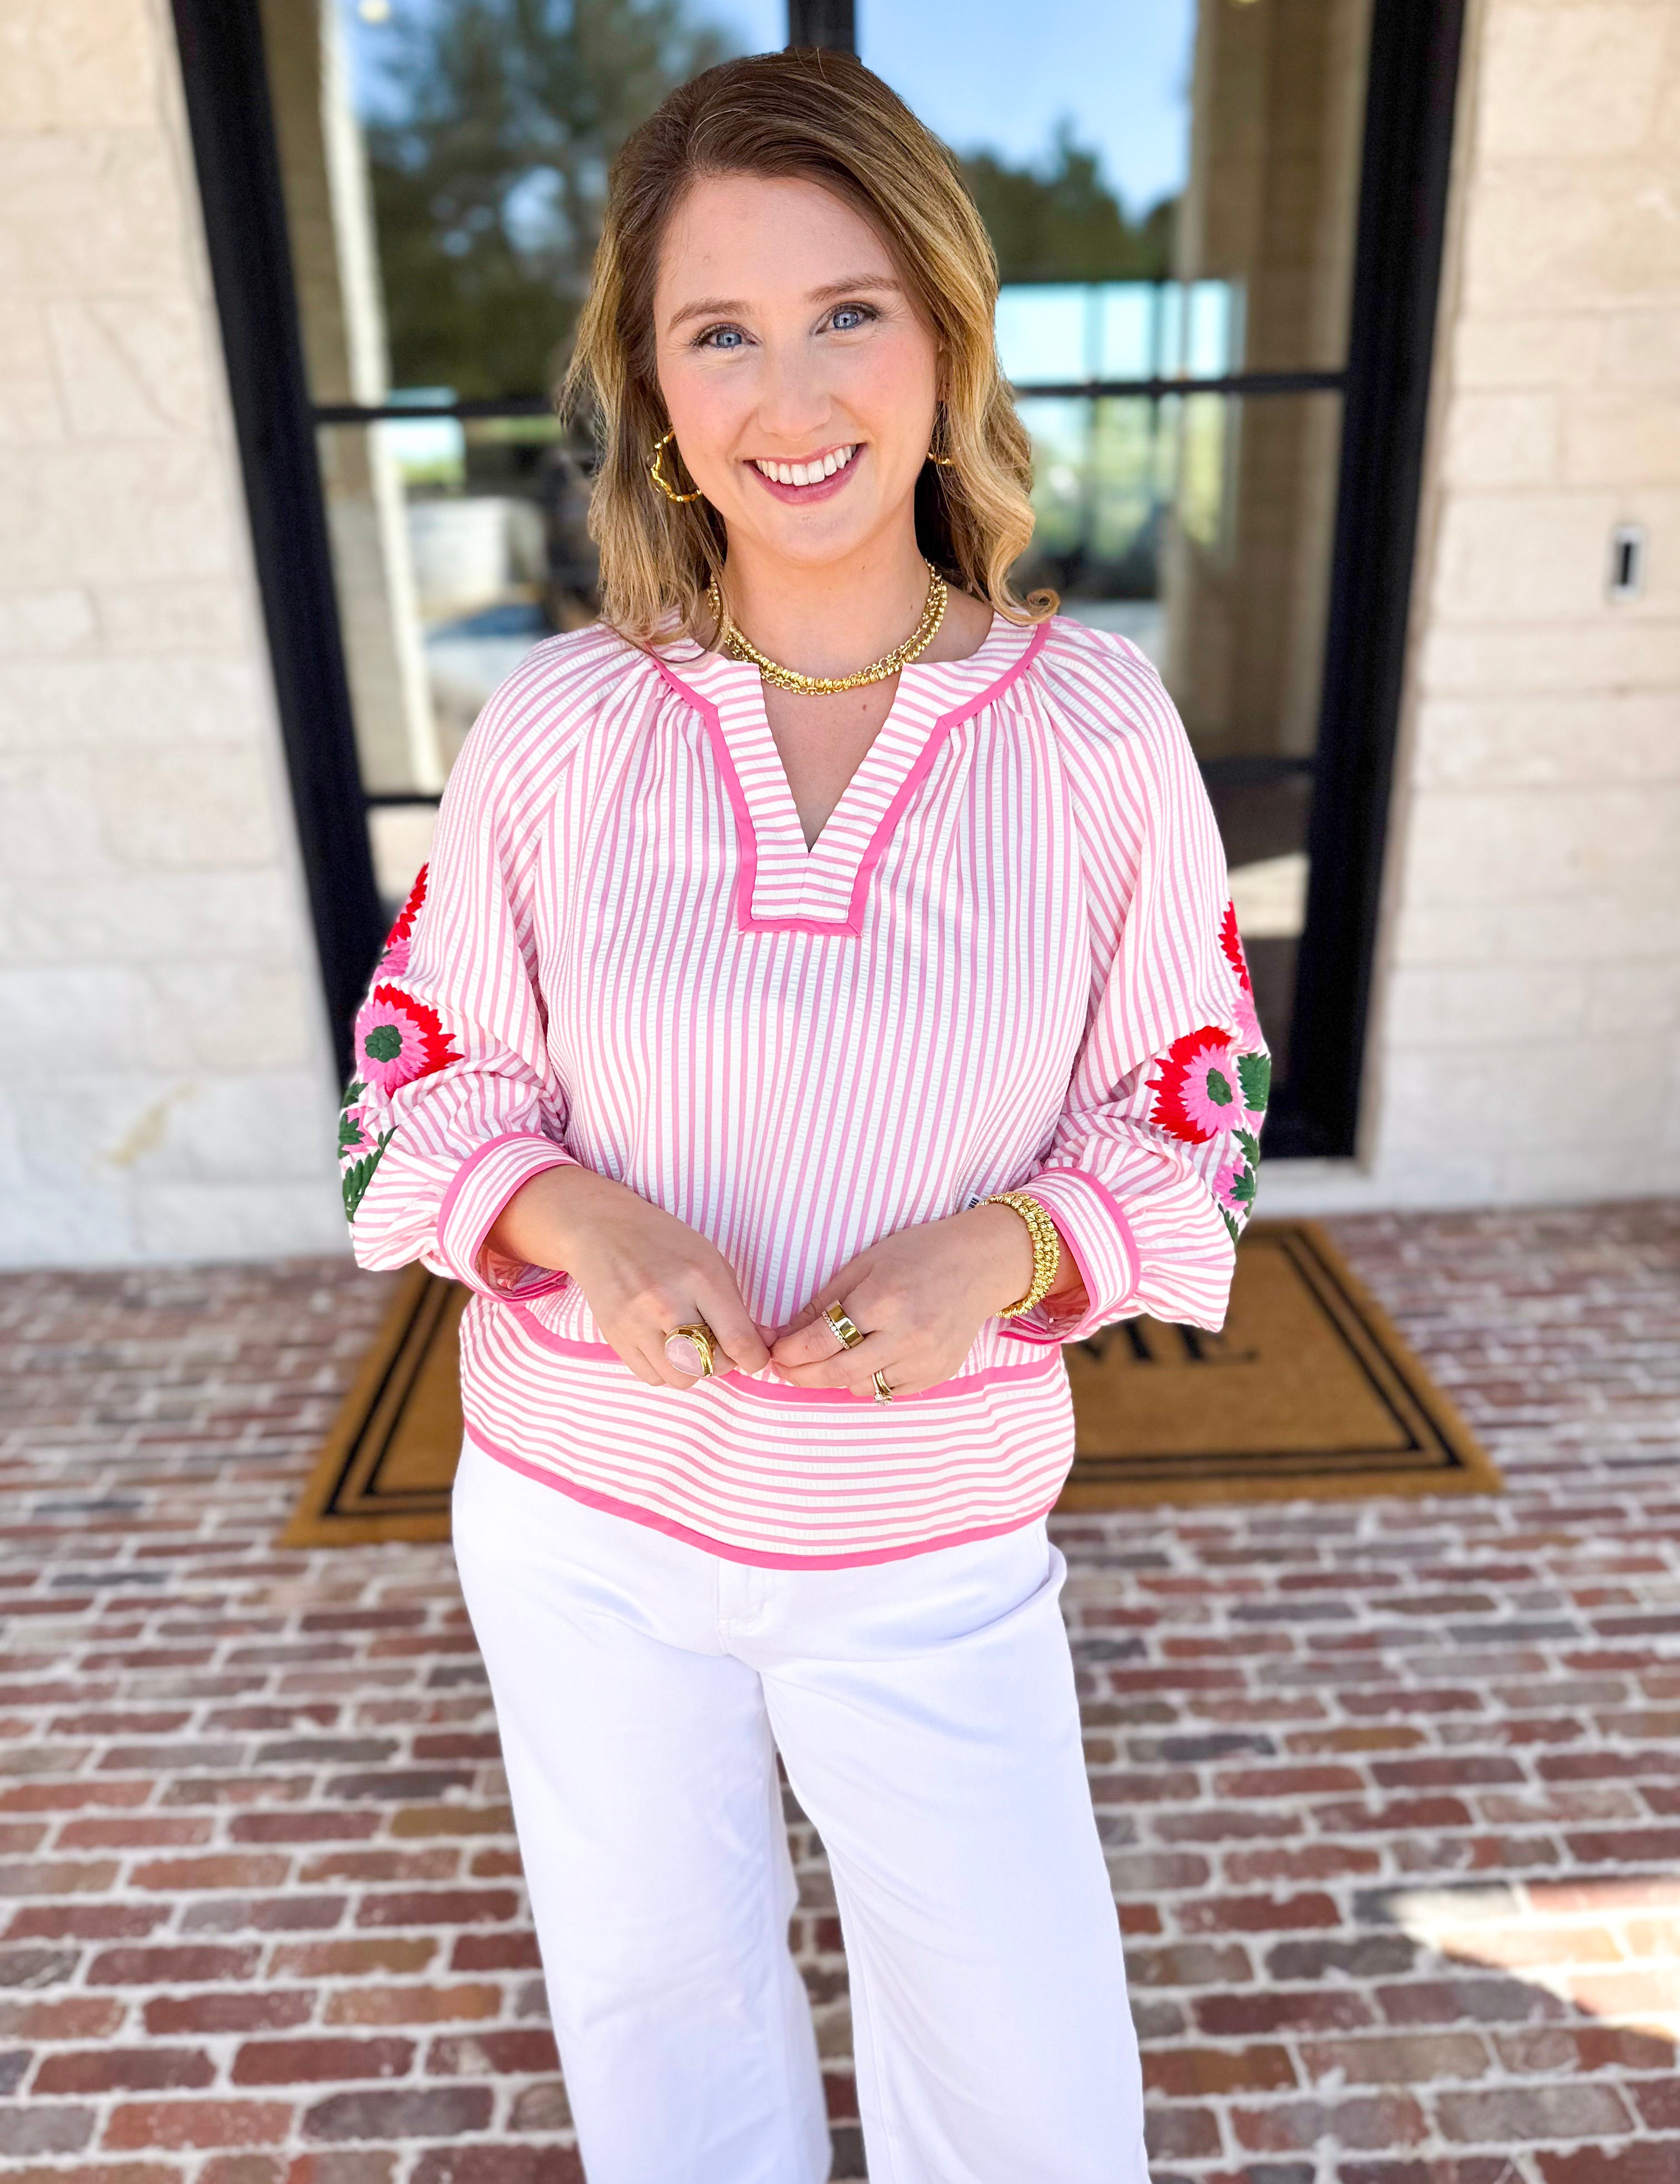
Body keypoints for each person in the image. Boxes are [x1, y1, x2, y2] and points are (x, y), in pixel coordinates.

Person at [338, 47, 1269, 2184]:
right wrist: (579, 1216)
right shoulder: (564, 723)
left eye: (848, 309)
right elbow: (410, 1090)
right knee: (667, 2048)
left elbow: (1195, 1109)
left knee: (1035, 2095)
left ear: (944, 332)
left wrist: (1009, 1250)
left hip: (928, 1549)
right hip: (581, 1530)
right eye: (720, 332)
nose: (795, 393)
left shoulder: (1101, 724)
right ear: (658, 394)